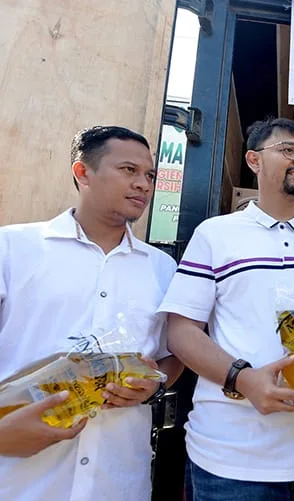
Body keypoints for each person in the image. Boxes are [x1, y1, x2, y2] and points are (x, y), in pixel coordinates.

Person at [159, 117, 294, 501]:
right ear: (254, 160)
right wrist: (243, 379)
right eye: (288, 150)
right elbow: (181, 331)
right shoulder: (215, 234)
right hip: (233, 460)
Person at [0, 126, 182, 500]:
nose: (144, 185)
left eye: (149, 175)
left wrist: (155, 385)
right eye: (129, 170)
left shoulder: (163, 268)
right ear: (83, 172)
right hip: (19, 478)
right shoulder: (12, 248)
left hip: (118, 480)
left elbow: (174, 353)